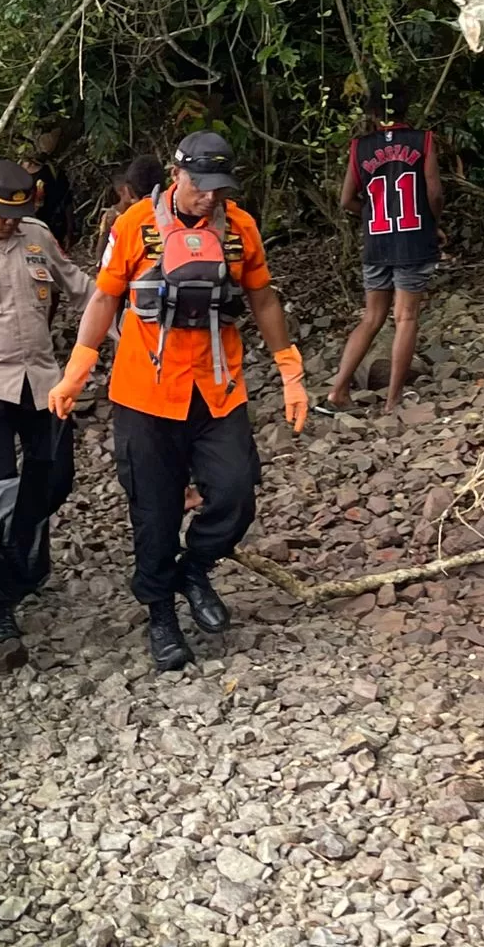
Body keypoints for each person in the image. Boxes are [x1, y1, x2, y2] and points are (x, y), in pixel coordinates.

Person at [47, 131, 309, 671]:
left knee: (236, 490)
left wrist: (290, 371)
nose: (209, 197)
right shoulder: (134, 225)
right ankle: (161, 613)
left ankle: (196, 566)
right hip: (146, 392)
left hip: (218, 388)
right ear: (176, 172)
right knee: (155, 511)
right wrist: (76, 371)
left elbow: (261, 296)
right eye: (200, 186)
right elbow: (104, 297)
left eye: (219, 188)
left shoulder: (240, 229)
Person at [0, 160, 91, 642]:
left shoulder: (37, 236)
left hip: (44, 383)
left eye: (19, 212)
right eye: (2, 213)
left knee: (55, 481)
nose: (11, 222)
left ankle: (25, 555)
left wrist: (130, 324)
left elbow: (81, 290)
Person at [327, 83, 444, 411]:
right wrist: (432, 224)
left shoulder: (359, 147)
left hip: (376, 241)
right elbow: (434, 193)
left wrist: (370, 213)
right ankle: (393, 401)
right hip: (413, 239)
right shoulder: (423, 141)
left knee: (371, 317)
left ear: (374, 114)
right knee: (405, 318)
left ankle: (337, 391)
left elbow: (345, 200)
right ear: (408, 109)